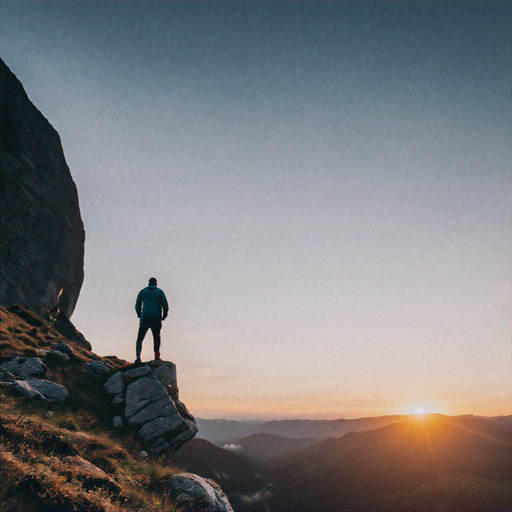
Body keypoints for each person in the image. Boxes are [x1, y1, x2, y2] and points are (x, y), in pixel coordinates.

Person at [135, 277, 169, 363]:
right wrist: (164, 315)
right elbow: (165, 305)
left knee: (140, 337)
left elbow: (137, 305)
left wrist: (139, 314)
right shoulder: (160, 292)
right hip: (156, 318)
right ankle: (157, 356)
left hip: (145, 317)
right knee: (156, 337)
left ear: (148, 283)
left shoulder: (143, 292)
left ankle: (138, 357)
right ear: (156, 284)